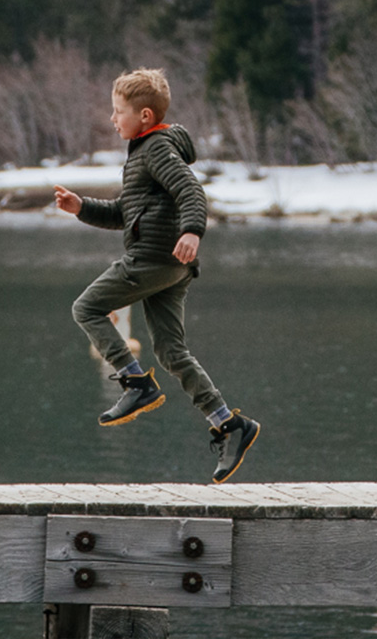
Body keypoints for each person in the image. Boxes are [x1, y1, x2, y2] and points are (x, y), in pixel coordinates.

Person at [51, 67, 263, 483]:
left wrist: (192, 230)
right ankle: (229, 423)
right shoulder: (143, 153)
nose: (113, 119)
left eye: (118, 112)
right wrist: (82, 208)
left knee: (87, 307)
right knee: (170, 352)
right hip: (171, 266)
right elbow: (122, 215)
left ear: (144, 116)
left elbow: (191, 191)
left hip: (154, 260)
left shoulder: (156, 149)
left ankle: (135, 383)